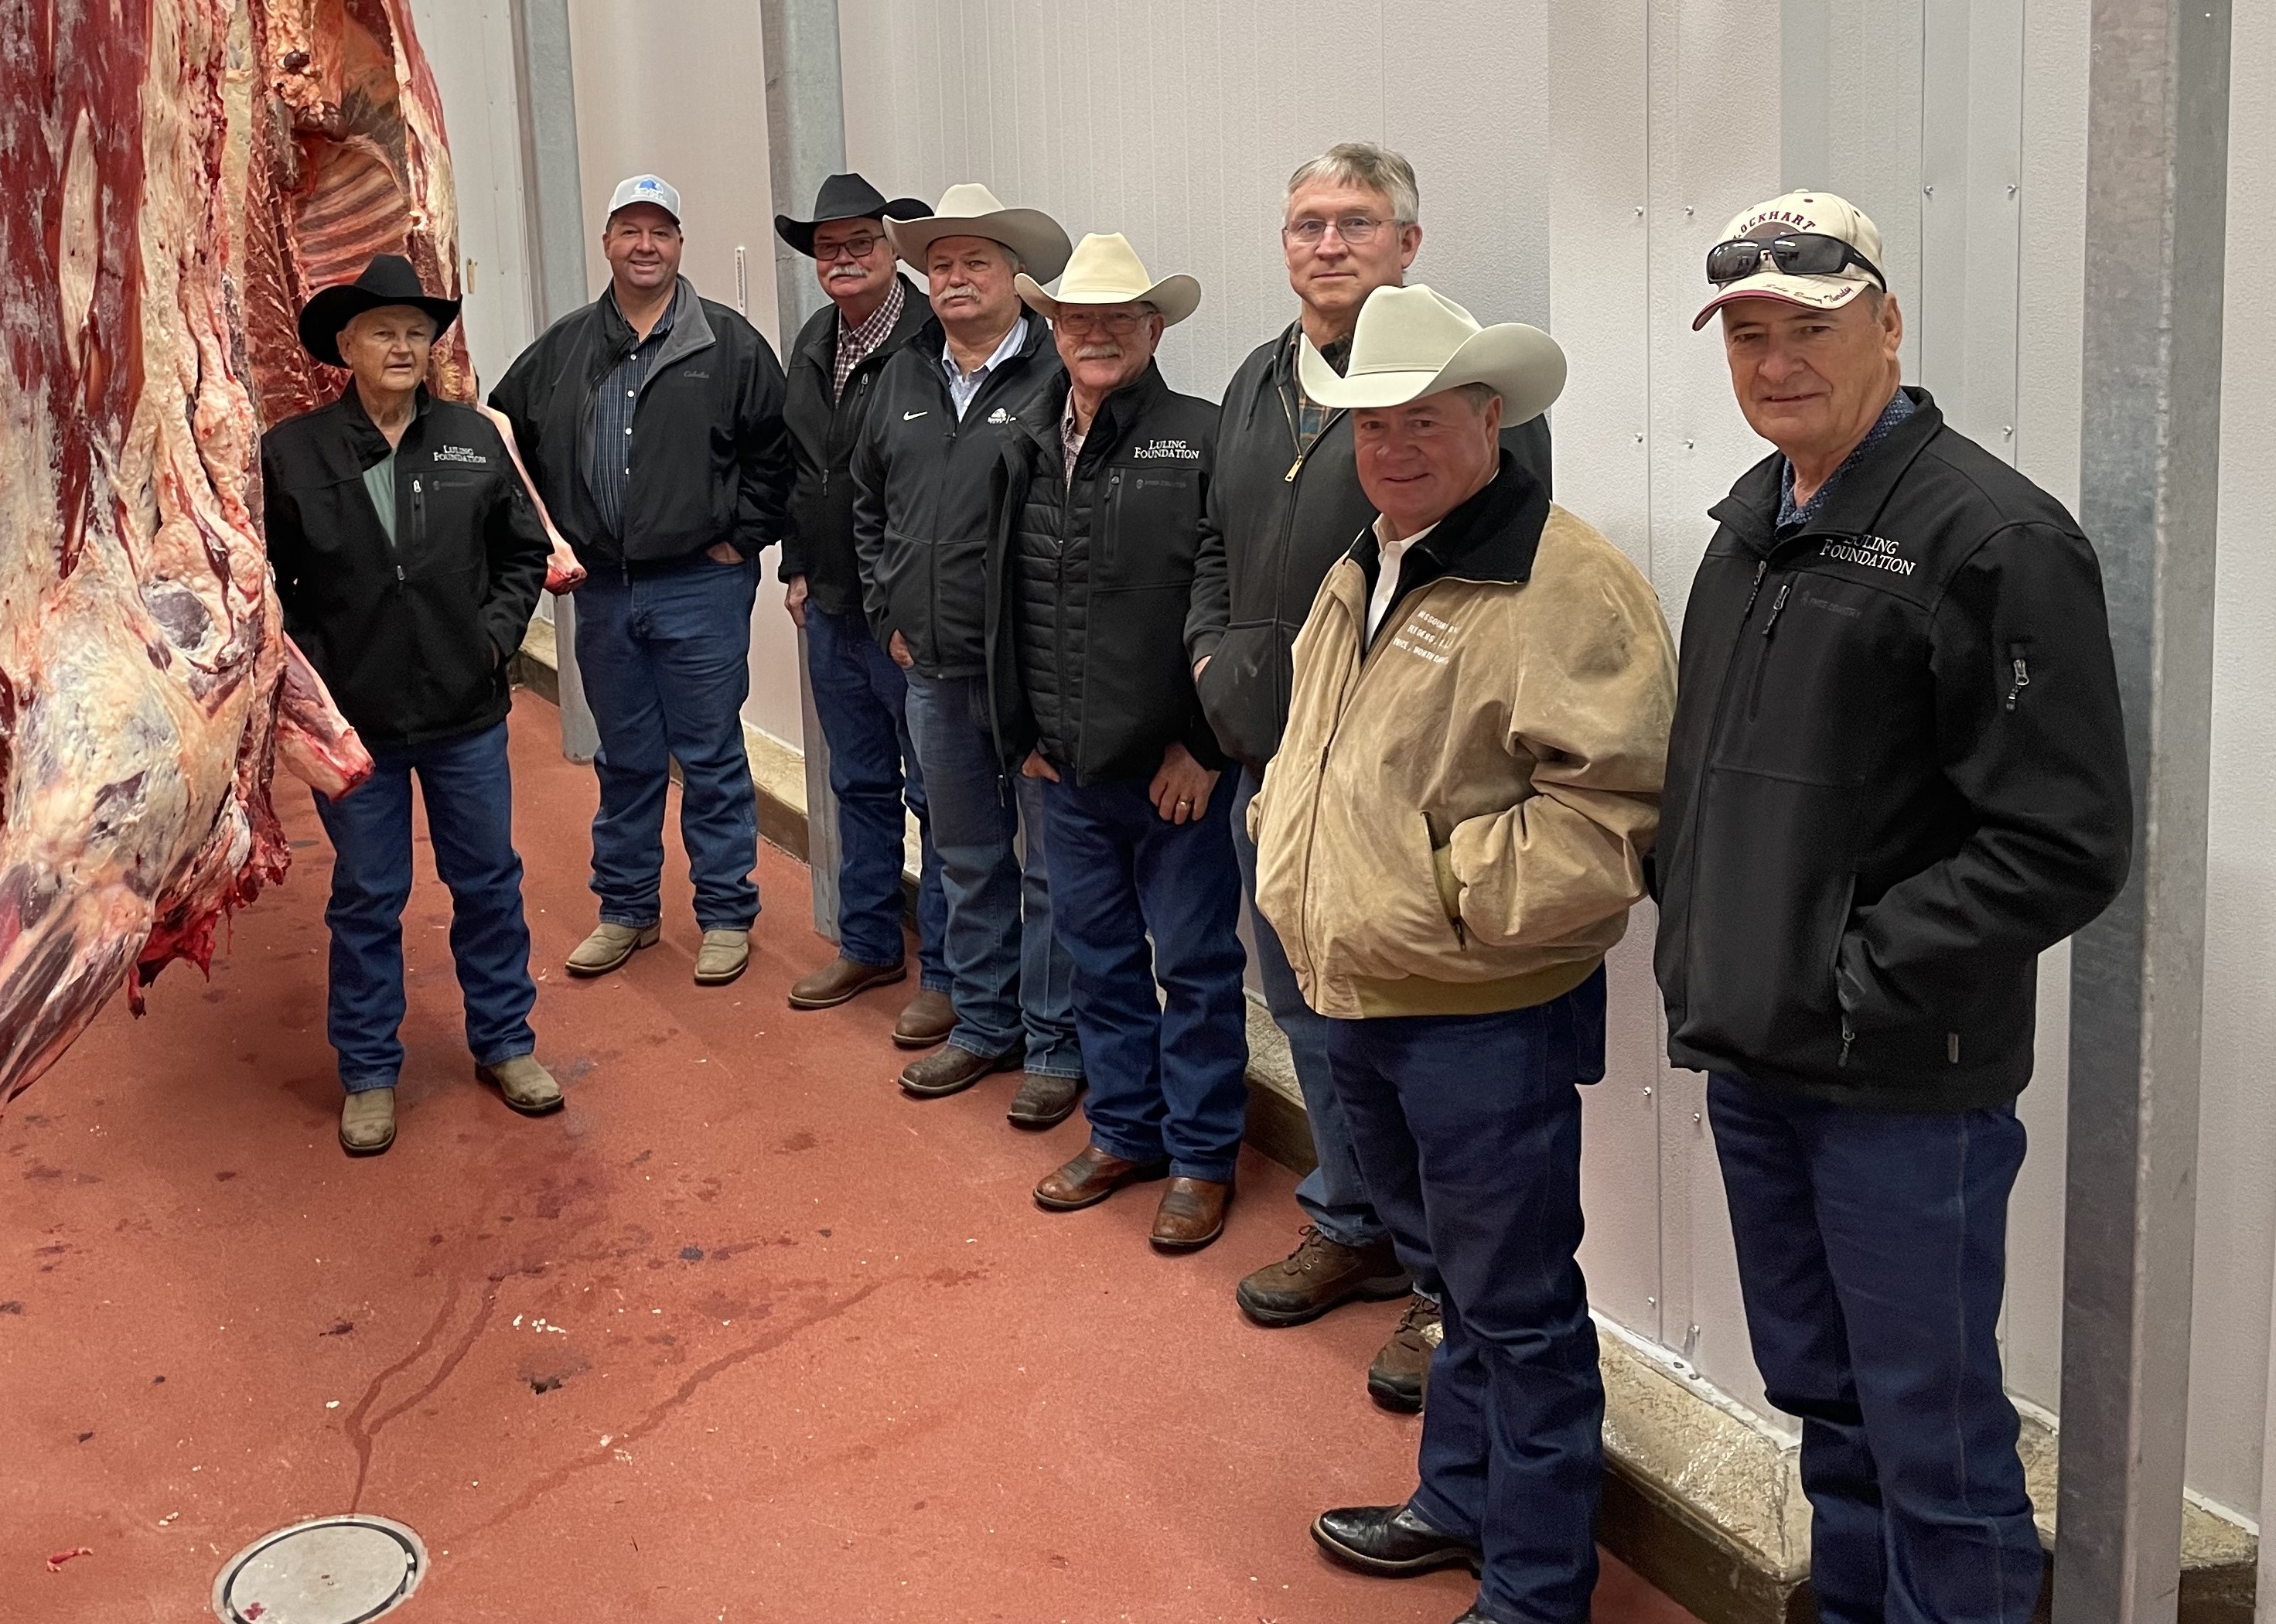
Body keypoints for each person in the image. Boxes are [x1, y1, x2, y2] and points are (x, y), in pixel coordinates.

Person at [1653, 191, 2132, 1624]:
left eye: (1809, 327)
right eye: (1745, 334)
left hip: (1897, 1088)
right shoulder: (1752, 528)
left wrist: (1852, 973)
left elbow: (2060, 840)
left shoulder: (1989, 538)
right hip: (1757, 1056)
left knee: (1934, 1439)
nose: (1774, 362)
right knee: (1827, 1404)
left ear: (1888, 325)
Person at [1257, 285, 1673, 1624]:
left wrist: (1428, 894)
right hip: (1362, 995)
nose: (1393, 446)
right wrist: (1294, 849)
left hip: (1480, 1013)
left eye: (1423, 419)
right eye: (1371, 423)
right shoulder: (1367, 562)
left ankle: (1537, 1588)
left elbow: (1610, 816)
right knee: (1450, 1286)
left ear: (1489, 419)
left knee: (1516, 1304)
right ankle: (1458, 1500)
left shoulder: (1565, 581)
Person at [1186, 142, 1554, 1410]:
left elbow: (1498, 594)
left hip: (1398, 796)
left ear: (1407, 242)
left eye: (1355, 222)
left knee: (1409, 1045)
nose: (1328, 243)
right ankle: (1353, 1222)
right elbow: (1211, 541)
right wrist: (1208, 658)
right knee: (1310, 1021)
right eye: (1306, 222)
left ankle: (1443, 1287)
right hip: (1274, 774)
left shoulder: (1471, 391)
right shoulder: (1255, 380)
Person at [982, 234, 1248, 1248]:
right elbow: (999, 594)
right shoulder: (1022, 438)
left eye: (1116, 318)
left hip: (1174, 777)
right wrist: (1020, 733)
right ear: (1053, 328)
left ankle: (1201, 1158)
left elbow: (1232, 604)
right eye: (1075, 318)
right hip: (1066, 772)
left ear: (1155, 328)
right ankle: (1125, 1132)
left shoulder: (1203, 439)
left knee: (1196, 969)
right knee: (1097, 962)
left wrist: (1205, 746)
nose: (1094, 334)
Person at [261, 254, 556, 1156]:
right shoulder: (294, 451)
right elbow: (267, 582)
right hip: (359, 725)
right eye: (383, 332)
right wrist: (316, 674)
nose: (402, 346)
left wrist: (492, 641)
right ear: (346, 347)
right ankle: (368, 1072)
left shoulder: (472, 438)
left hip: (465, 714)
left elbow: (522, 553)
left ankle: (506, 1043)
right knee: (367, 896)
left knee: (489, 881)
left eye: (417, 333)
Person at [490, 174, 792, 988]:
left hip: (700, 585)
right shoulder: (563, 347)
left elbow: (776, 453)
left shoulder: (728, 345)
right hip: (605, 590)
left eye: (660, 231)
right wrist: (546, 539)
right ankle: (627, 909)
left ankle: (725, 914)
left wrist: (741, 538)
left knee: (711, 754)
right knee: (625, 758)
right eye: (630, 230)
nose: (645, 245)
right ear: (608, 243)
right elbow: (499, 434)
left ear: (680, 244)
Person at [851, 184, 1087, 1124]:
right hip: (935, 671)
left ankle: (1055, 1043)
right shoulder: (903, 378)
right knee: (966, 855)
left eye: (975, 262)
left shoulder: (1059, 374)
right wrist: (887, 612)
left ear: (1015, 277)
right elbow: (868, 506)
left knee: (1052, 869)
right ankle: (985, 1025)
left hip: (1036, 675)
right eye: (941, 264)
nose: (955, 278)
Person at [773, 173, 956, 1051]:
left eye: (859, 243)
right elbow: (801, 468)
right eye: (827, 248)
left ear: (892, 251)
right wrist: (796, 566)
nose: (842, 259)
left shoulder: (931, 338)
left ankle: (950, 975)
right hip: (832, 610)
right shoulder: (816, 340)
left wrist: (910, 605)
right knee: (858, 785)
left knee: (939, 798)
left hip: (907, 619)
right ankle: (871, 944)